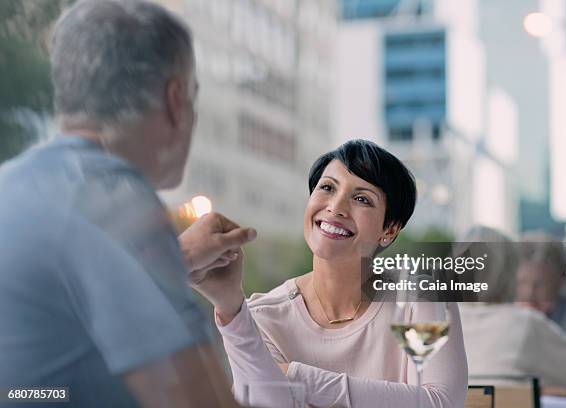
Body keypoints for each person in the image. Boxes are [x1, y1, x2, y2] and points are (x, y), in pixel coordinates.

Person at [0, 1, 254, 407]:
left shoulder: (14, 184)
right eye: (193, 95)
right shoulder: (111, 197)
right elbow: (190, 398)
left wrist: (175, 259)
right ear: (175, 100)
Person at [192, 140, 469, 408]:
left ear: (390, 230)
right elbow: (264, 401)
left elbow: (441, 402)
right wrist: (230, 307)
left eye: (361, 199)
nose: (335, 207)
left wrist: (296, 377)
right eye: (327, 188)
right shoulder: (261, 316)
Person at [458, 227, 566, 407]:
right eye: (521, 283)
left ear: (559, 283)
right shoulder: (509, 321)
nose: (528, 294)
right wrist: (548, 390)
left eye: (540, 285)